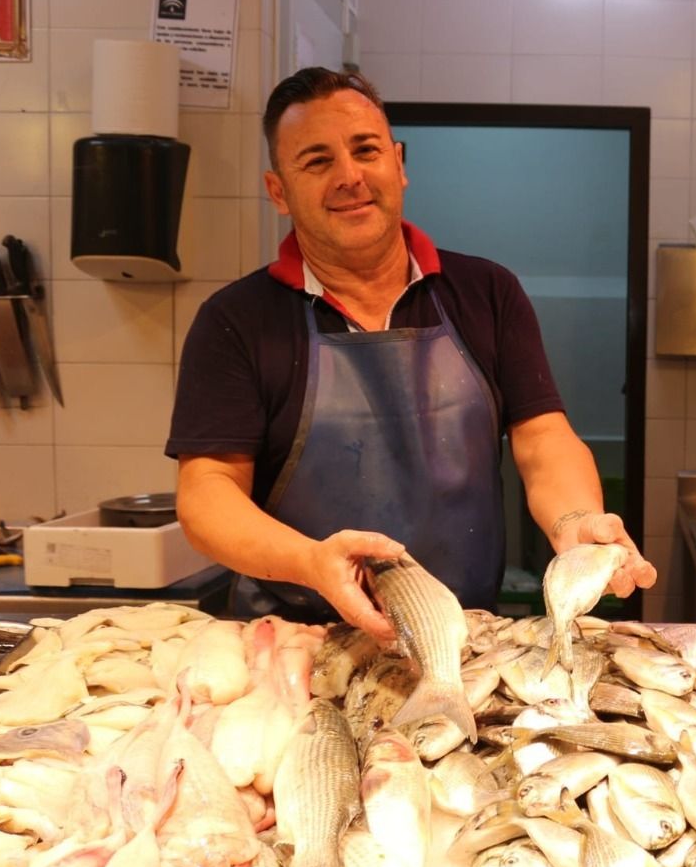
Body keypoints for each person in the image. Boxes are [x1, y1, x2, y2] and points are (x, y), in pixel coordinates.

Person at [166, 67, 655, 639]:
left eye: (365, 150)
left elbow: (543, 439)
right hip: (295, 640)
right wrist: (312, 564)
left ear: (398, 164)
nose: (349, 176)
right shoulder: (236, 321)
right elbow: (208, 494)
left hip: (465, 636)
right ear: (279, 191)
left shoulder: (486, 292)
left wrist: (575, 523)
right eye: (317, 161)